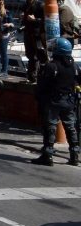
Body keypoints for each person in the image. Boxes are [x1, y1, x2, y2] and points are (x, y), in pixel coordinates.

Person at [31, 37, 80, 166]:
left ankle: (48, 155)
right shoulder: (74, 66)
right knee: (70, 128)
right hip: (69, 101)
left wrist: (39, 98)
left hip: (53, 101)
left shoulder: (51, 66)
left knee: (50, 127)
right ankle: (74, 155)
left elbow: (42, 85)